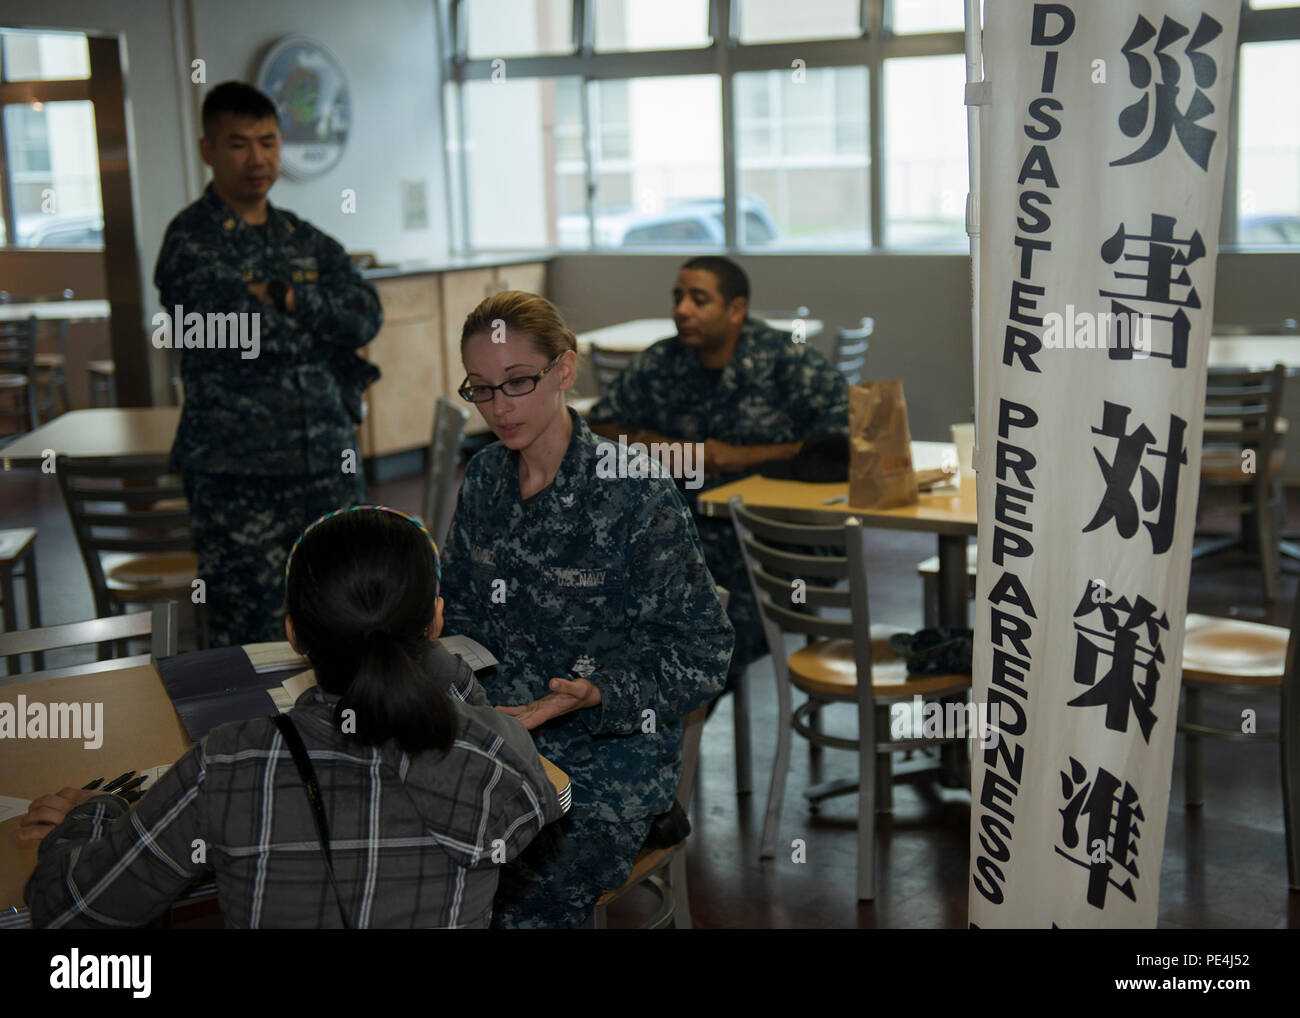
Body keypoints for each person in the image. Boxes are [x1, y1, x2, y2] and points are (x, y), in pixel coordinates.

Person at [21, 506, 564, 928]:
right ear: (436, 621)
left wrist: (97, 816)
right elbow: (462, 720)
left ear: (293, 635)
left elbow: (69, 911)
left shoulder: (227, 764)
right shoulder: (501, 757)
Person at [440, 290, 733, 928]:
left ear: (565, 371)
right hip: (499, 737)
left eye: (518, 382)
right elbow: (456, 614)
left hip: (607, 754)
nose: (500, 406)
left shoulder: (635, 492)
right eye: (482, 390)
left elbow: (703, 652)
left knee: (521, 898)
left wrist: (597, 693)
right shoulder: (487, 480)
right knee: (398, 853)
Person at [155, 80, 383, 647]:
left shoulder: (301, 239)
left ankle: (339, 734)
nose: (257, 158)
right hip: (239, 474)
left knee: (342, 615)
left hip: (326, 462)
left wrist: (286, 297)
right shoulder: (189, 241)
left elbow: (366, 315)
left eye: (268, 141)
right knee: (250, 630)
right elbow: (234, 333)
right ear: (208, 149)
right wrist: (315, 324)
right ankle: (250, 739)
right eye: (238, 143)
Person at [587, 255, 848, 685]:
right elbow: (600, 429)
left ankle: (672, 736)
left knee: (703, 646)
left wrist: (734, 457)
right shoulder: (661, 362)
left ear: (736, 309)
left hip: (772, 550)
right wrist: (675, 450)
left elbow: (846, 437)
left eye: (699, 299)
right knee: (618, 634)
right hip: (679, 546)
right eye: (678, 297)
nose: (682, 309)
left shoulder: (786, 360)